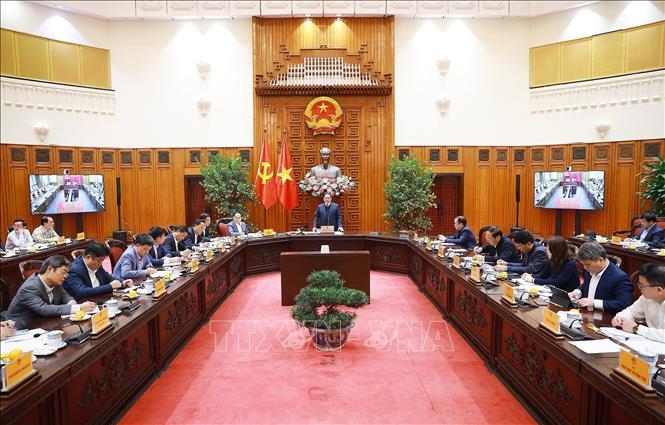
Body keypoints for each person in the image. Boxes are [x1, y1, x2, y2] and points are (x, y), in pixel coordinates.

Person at [6, 255, 96, 329]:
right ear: (50, 269)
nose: (66, 276)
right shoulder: (29, 287)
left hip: (44, 324)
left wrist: (74, 305)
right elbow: (44, 309)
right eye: (63, 272)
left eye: (67, 273)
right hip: (21, 329)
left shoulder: (55, 282)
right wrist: (78, 308)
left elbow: (66, 296)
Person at [568, 241, 633, 314]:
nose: (585, 268)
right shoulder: (590, 269)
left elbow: (623, 304)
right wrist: (577, 292)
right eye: (583, 264)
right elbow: (587, 284)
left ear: (600, 260)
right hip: (585, 313)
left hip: (605, 317)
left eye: (587, 264)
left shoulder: (620, 277)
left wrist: (594, 302)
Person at [612, 263, 665, 342]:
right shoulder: (646, 298)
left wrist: (636, 328)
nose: (639, 288)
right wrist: (619, 319)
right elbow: (631, 311)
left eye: (642, 285)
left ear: (659, 290)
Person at [63, 242, 132, 299]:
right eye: (99, 260)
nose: (100, 264)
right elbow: (81, 292)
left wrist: (122, 282)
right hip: (84, 304)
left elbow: (108, 278)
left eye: (102, 261)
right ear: (88, 257)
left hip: (100, 299)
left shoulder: (96, 264)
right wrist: (109, 286)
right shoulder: (74, 270)